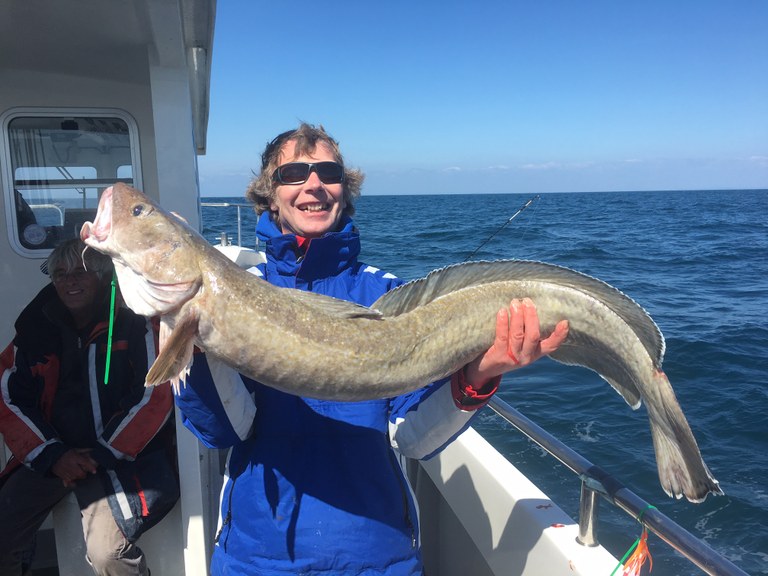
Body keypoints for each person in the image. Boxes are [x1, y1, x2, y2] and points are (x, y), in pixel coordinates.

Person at [174, 123, 569, 575]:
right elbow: (224, 430)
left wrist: (480, 375)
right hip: (258, 557)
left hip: (379, 558)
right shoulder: (241, 290)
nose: (314, 185)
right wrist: (192, 343)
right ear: (269, 195)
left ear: (346, 188)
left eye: (328, 172)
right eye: (294, 174)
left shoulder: (388, 298)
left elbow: (414, 437)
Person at [0, 239, 178, 576]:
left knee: (108, 553)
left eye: (81, 272)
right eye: (61, 274)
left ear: (102, 276)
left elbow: (156, 393)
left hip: (124, 459)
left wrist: (102, 453)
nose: (71, 282)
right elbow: (8, 396)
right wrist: (53, 456)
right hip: (56, 456)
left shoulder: (134, 320)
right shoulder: (35, 328)